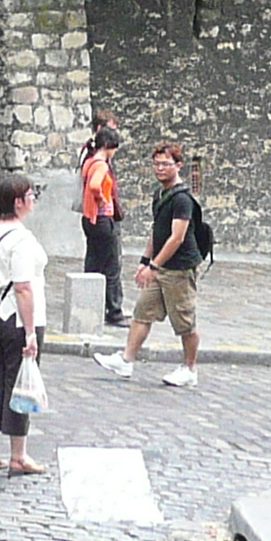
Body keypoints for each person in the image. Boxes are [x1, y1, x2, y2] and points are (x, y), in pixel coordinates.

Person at [97, 141, 202, 385]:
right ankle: (126, 360)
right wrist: (146, 261)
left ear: (179, 165)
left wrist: (153, 266)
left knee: (185, 322)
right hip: (160, 267)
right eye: (156, 164)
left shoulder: (182, 199)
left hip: (179, 269)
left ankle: (190, 369)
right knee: (142, 312)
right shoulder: (160, 194)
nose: (160, 168)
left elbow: (177, 237)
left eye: (166, 164)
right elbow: (158, 231)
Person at [0, 171, 49, 474]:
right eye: (30, 195)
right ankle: (18, 455)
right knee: (20, 384)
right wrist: (30, 333)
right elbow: (23, 288)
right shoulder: (20, 239)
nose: (33, 200)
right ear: (18, 202)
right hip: (15, 320)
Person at [80, 119, 127, 330]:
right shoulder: (100, 164)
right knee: (111, 265)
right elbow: (94, 185)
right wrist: (103, 199)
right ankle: (114, 311)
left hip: (90, 219)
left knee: (93, 263)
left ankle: (88, 305)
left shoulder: (88, 161)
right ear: (108, 146)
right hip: (102, 219)